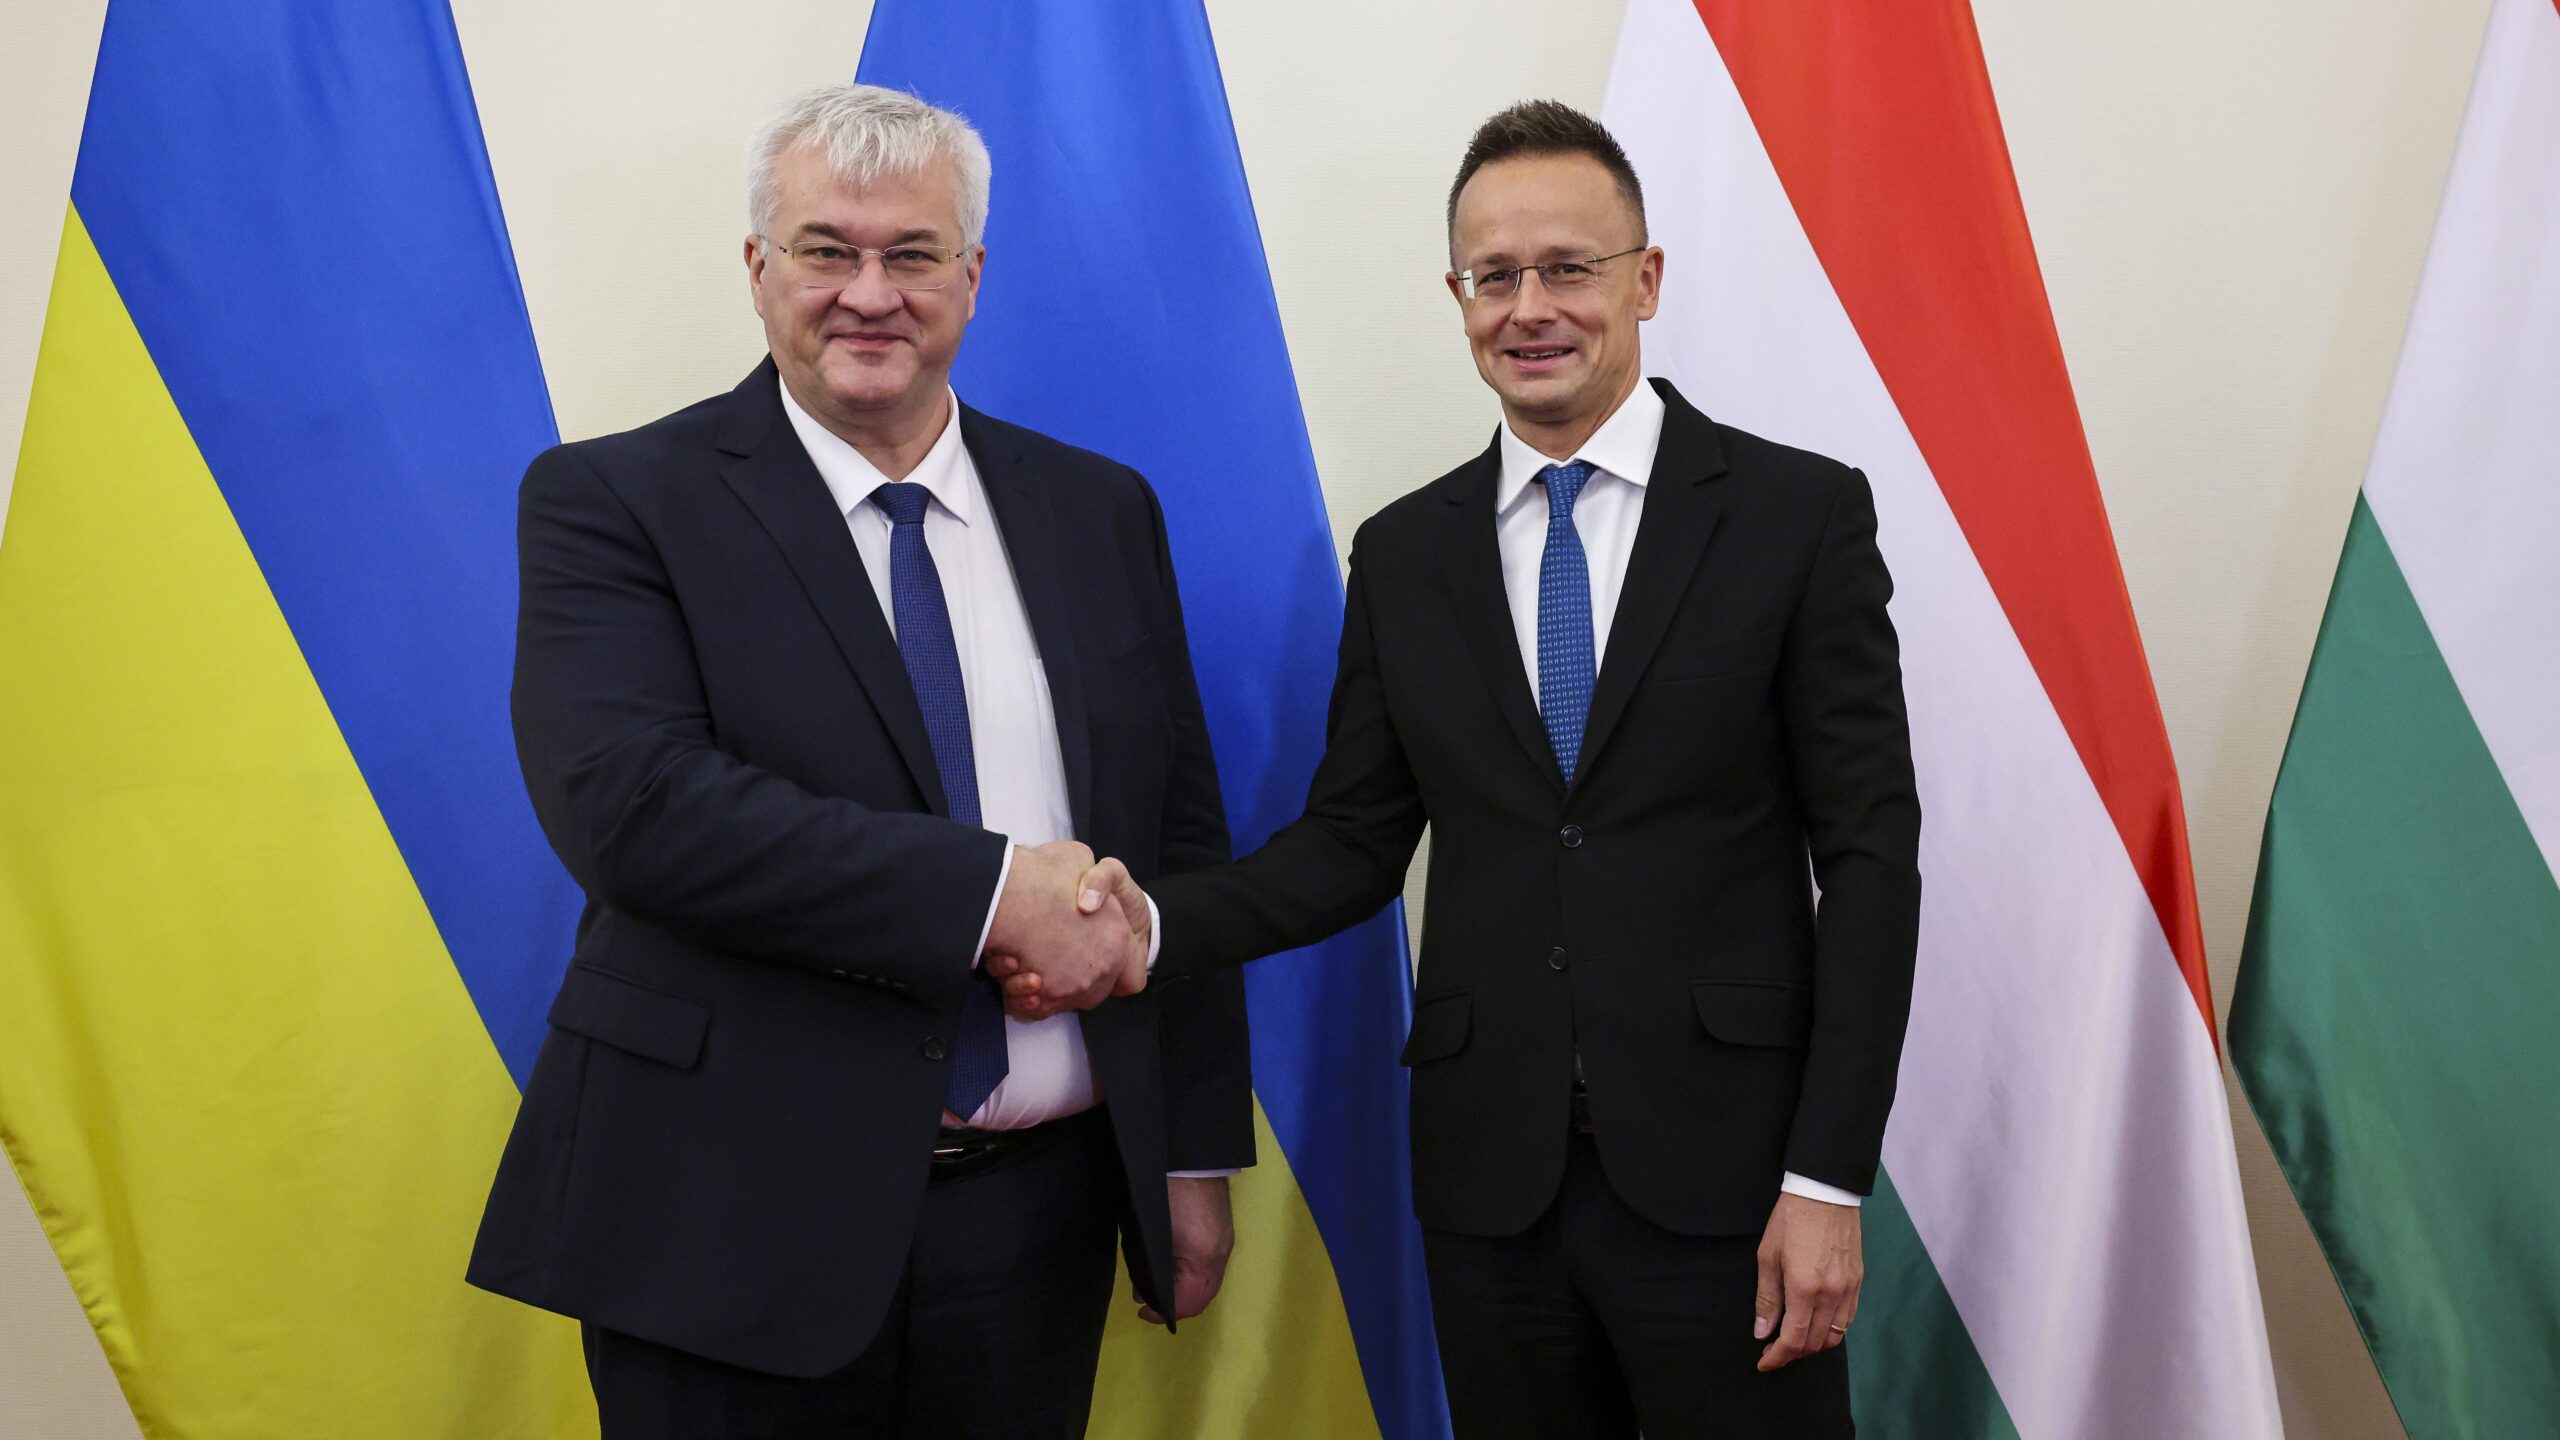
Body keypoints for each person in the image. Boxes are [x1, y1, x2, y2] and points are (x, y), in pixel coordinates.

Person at [1001, 100, 1920, 1439]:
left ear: (1646, 280)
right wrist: (1146, 924)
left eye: (1569, 269)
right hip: (1493, 1193)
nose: (1530, 307)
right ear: (1458, 295)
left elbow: (1872, 863)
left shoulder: (1797, 518)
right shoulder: (1408, 552)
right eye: (1495, 276)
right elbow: (1352, 844)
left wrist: (1828, 1178)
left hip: (1735, 1191)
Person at [466, 83, 1254, 1439]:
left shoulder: (1098, 508)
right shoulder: (612, 502)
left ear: (973, 275)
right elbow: (639, 815)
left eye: (912, 254)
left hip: (1036, 1223)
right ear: (760, 268)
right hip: (723, 1221)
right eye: (828, 250)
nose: (869, 293)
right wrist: (994, 895)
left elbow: (1175, 835)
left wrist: (1186, 1149)